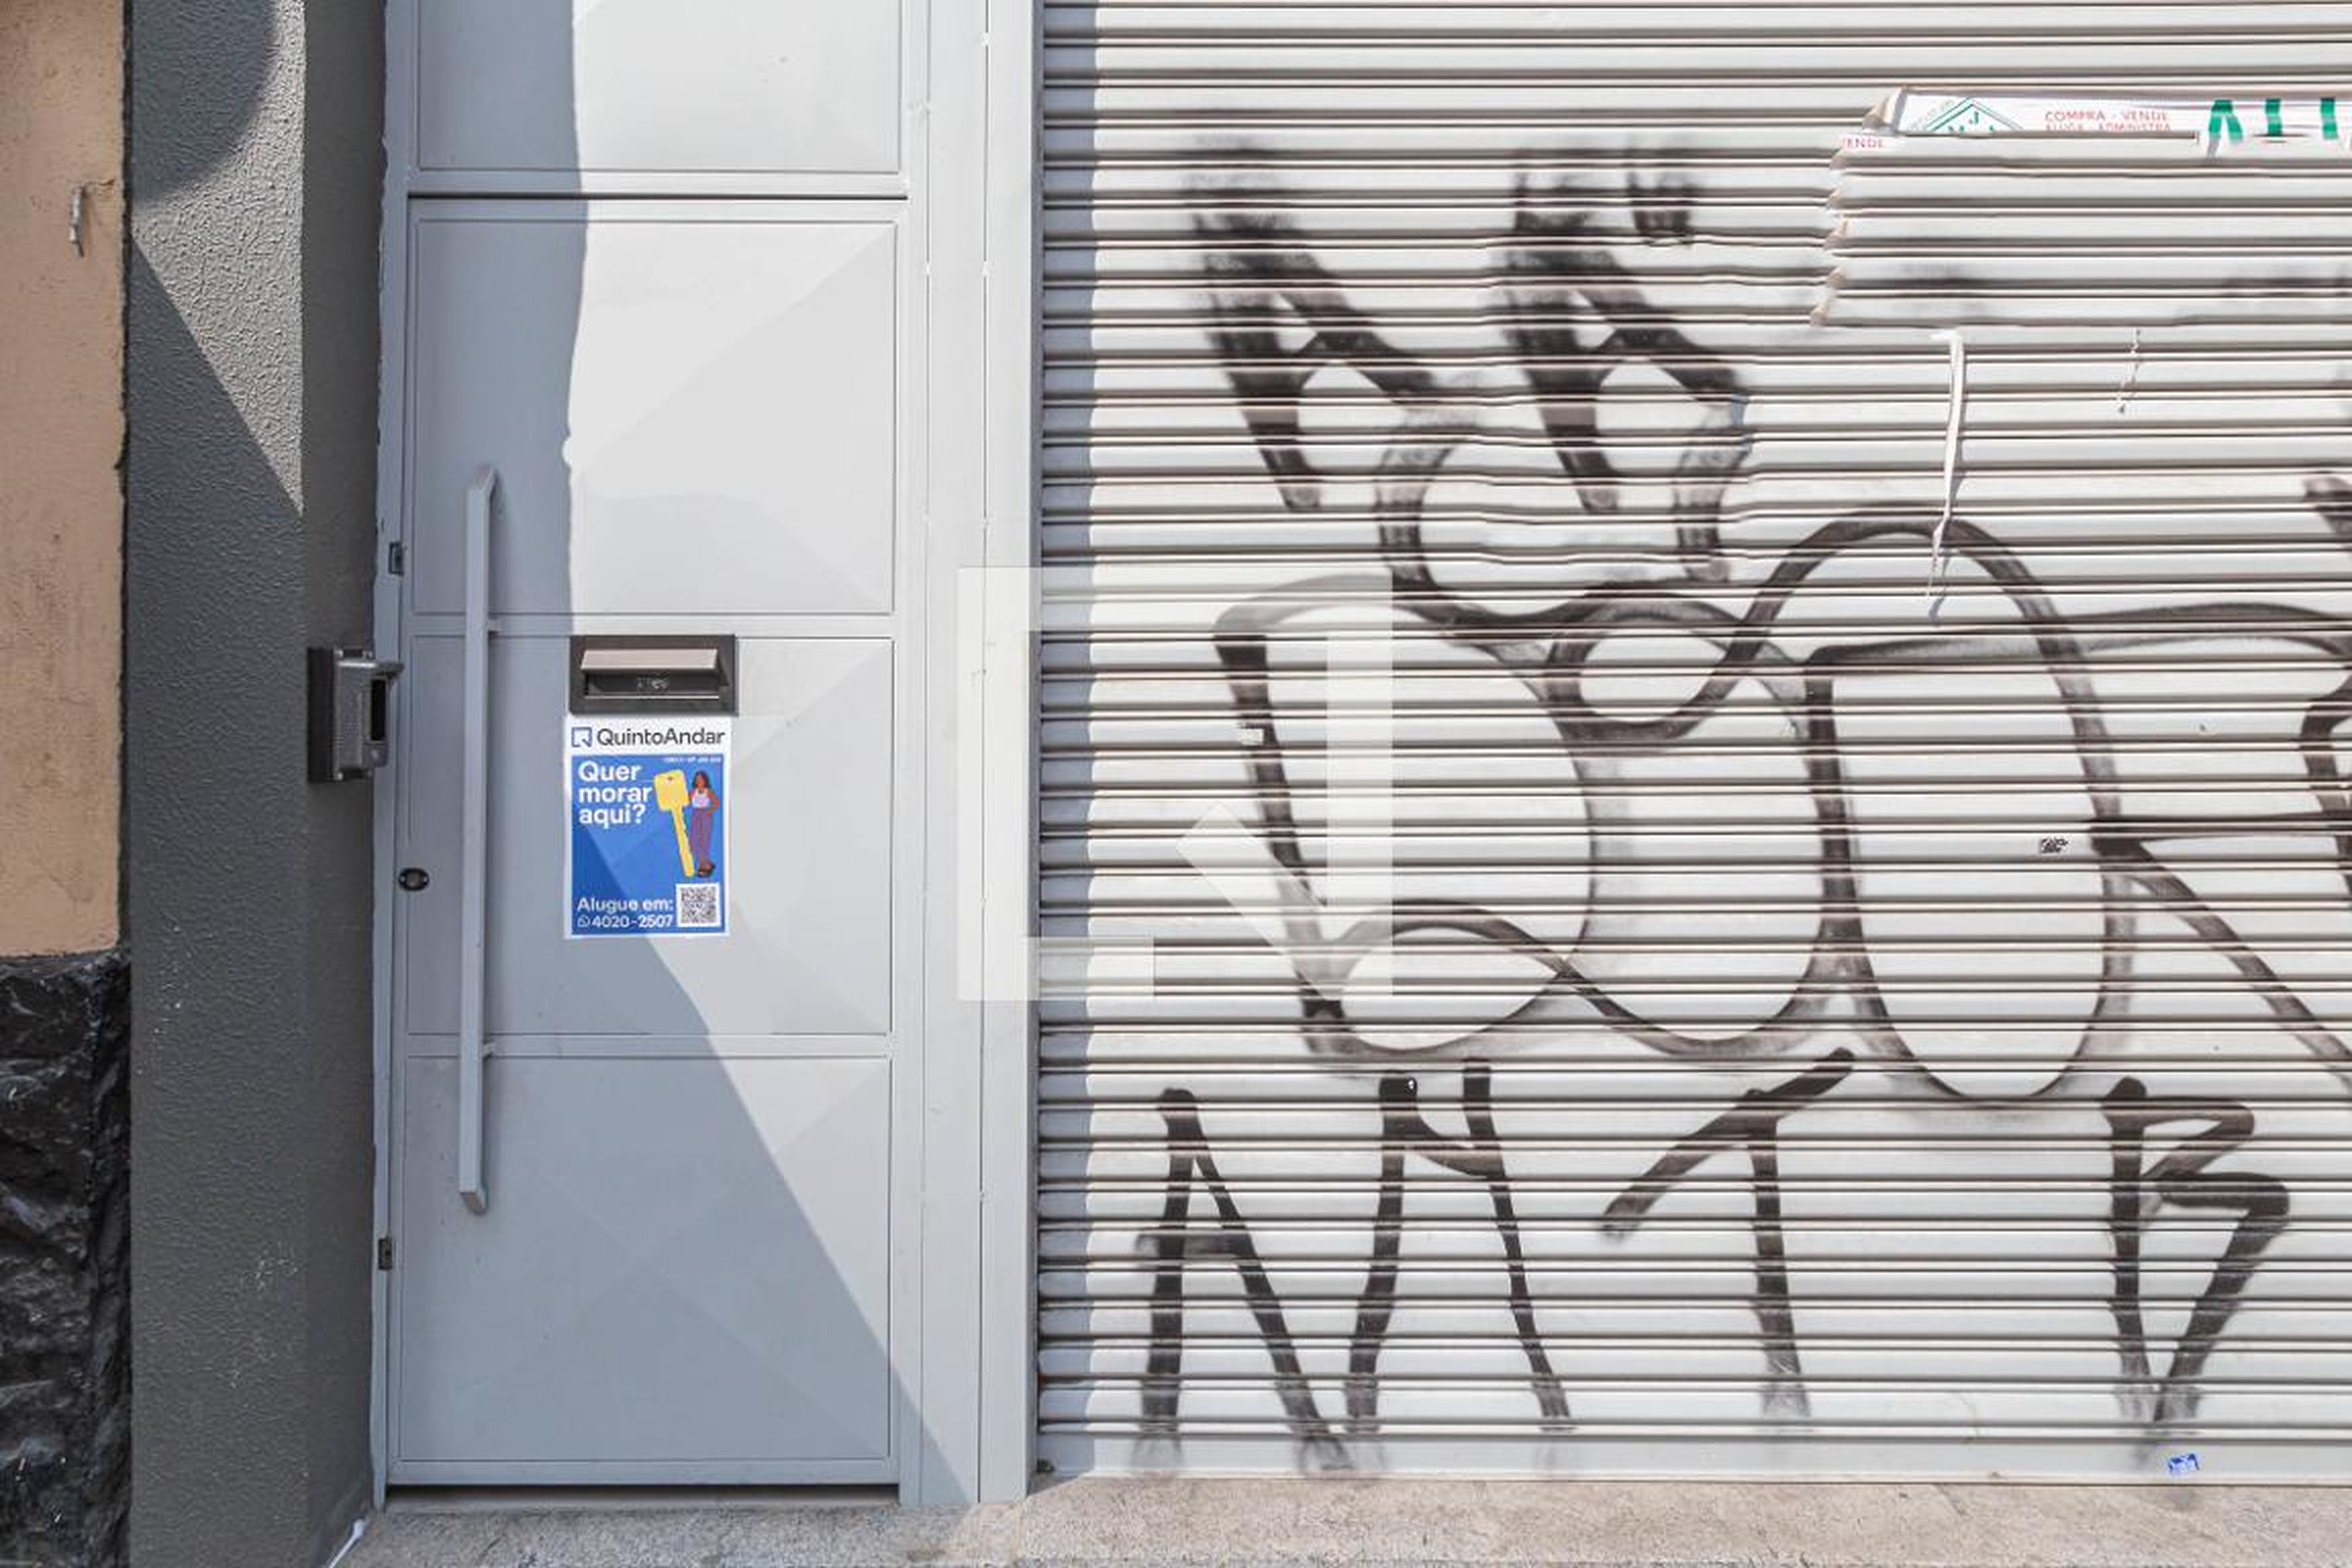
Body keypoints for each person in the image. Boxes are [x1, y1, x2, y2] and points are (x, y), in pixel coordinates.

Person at [685, 770, 720, 878]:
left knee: (704, 841)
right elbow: (686, 802)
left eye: (701, 779)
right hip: (695, 815)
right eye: (697, 779)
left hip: (705, 816)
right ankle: (707, 863)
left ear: (705, 780)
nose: (699, 781)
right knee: (693, 842)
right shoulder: (692, 792)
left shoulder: (708, 791)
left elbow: (716, 802)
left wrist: (709, 811)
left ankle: (703, 866)